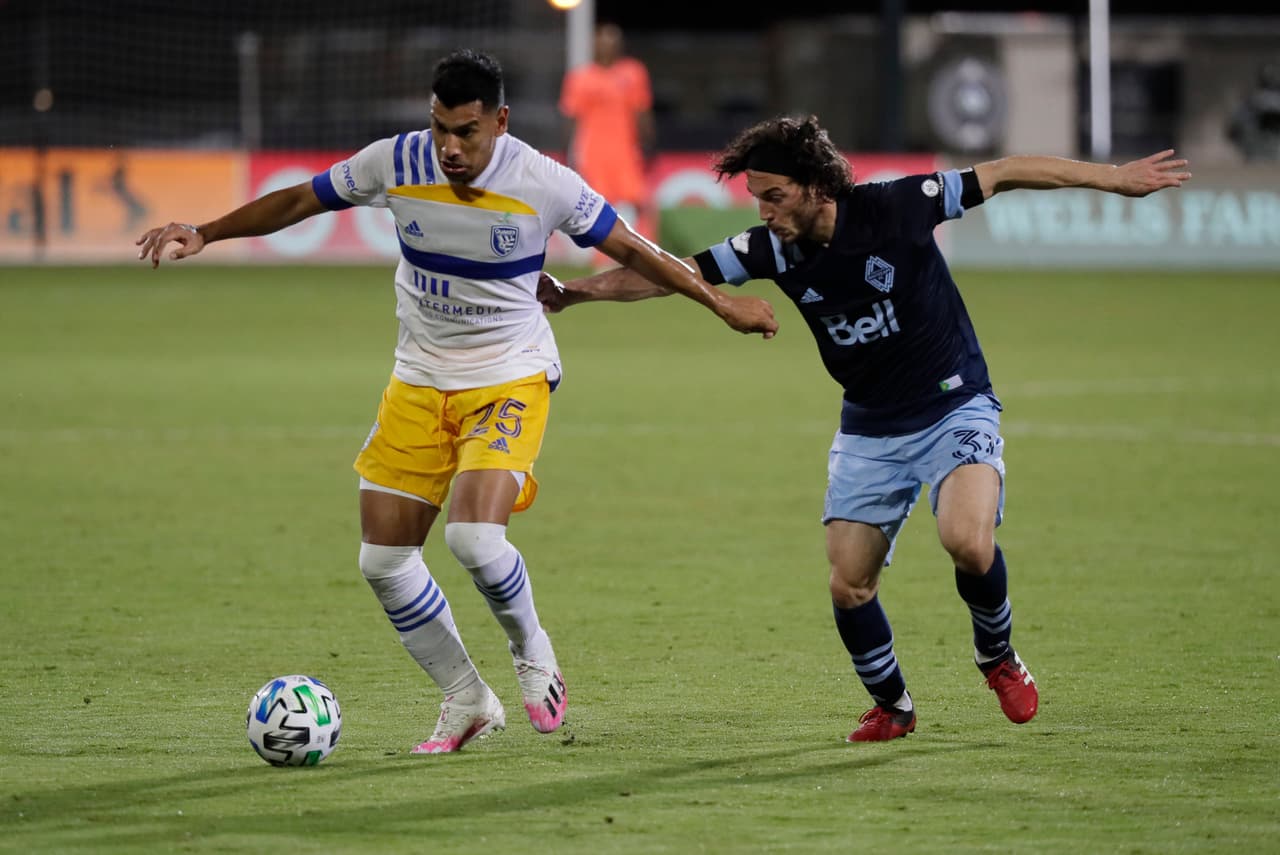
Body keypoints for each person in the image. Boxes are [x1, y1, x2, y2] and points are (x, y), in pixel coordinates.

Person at [135, 49, 777, 755]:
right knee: (382, 561)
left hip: (508, 373)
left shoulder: (541, 180)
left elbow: (635, 248)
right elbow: (303, 198)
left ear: (499, 121)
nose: (449, 146)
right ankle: (467, 696)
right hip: (418, 377)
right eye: (440, 128)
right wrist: (207, 231)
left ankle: (533, 650)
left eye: (466, 131)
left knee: (473, 538)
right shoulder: (397, 160)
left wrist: (719, 305)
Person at [540, 115, 1191, 742]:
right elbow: (669, 274)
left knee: (967, 539)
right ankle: (893, 706)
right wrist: (576, 294)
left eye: (774, 196)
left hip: (953, 403)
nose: (762, 211)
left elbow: (1006, 170)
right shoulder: (770, 248)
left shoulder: (897, 207)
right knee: (848, 583)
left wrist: (1112, 178)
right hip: (870, 429)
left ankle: (996, 654)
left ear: (817, 188)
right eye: (757, 198)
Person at [558, 22, 656, 245]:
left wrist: (649, 144)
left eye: (613, 40)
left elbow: (642, 111)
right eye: (603, 41)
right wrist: (566, 151)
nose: (608, 46)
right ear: (594, 45)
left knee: (637, 202)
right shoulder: (580, 77)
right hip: (593, 152)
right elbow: (571, 117)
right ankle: (600, 257)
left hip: (626, 151)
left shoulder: (633, 72)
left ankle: (646, 250)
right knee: (597, 206)